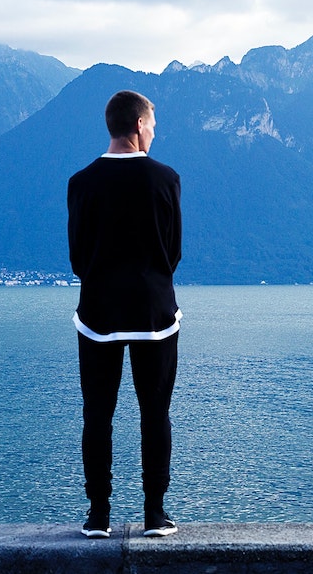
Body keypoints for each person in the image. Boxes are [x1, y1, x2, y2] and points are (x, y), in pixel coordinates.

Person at [67, 89, 182, 539]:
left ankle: (98, 515)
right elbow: (173, 252)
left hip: (97, 314)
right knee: (155, 413)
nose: (154, 131)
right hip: (155, 313)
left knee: (97, 414)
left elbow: (78, 256)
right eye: (152, 124)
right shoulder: (166, 178)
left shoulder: (81, 182)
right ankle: (156, 513)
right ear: (137, 125)